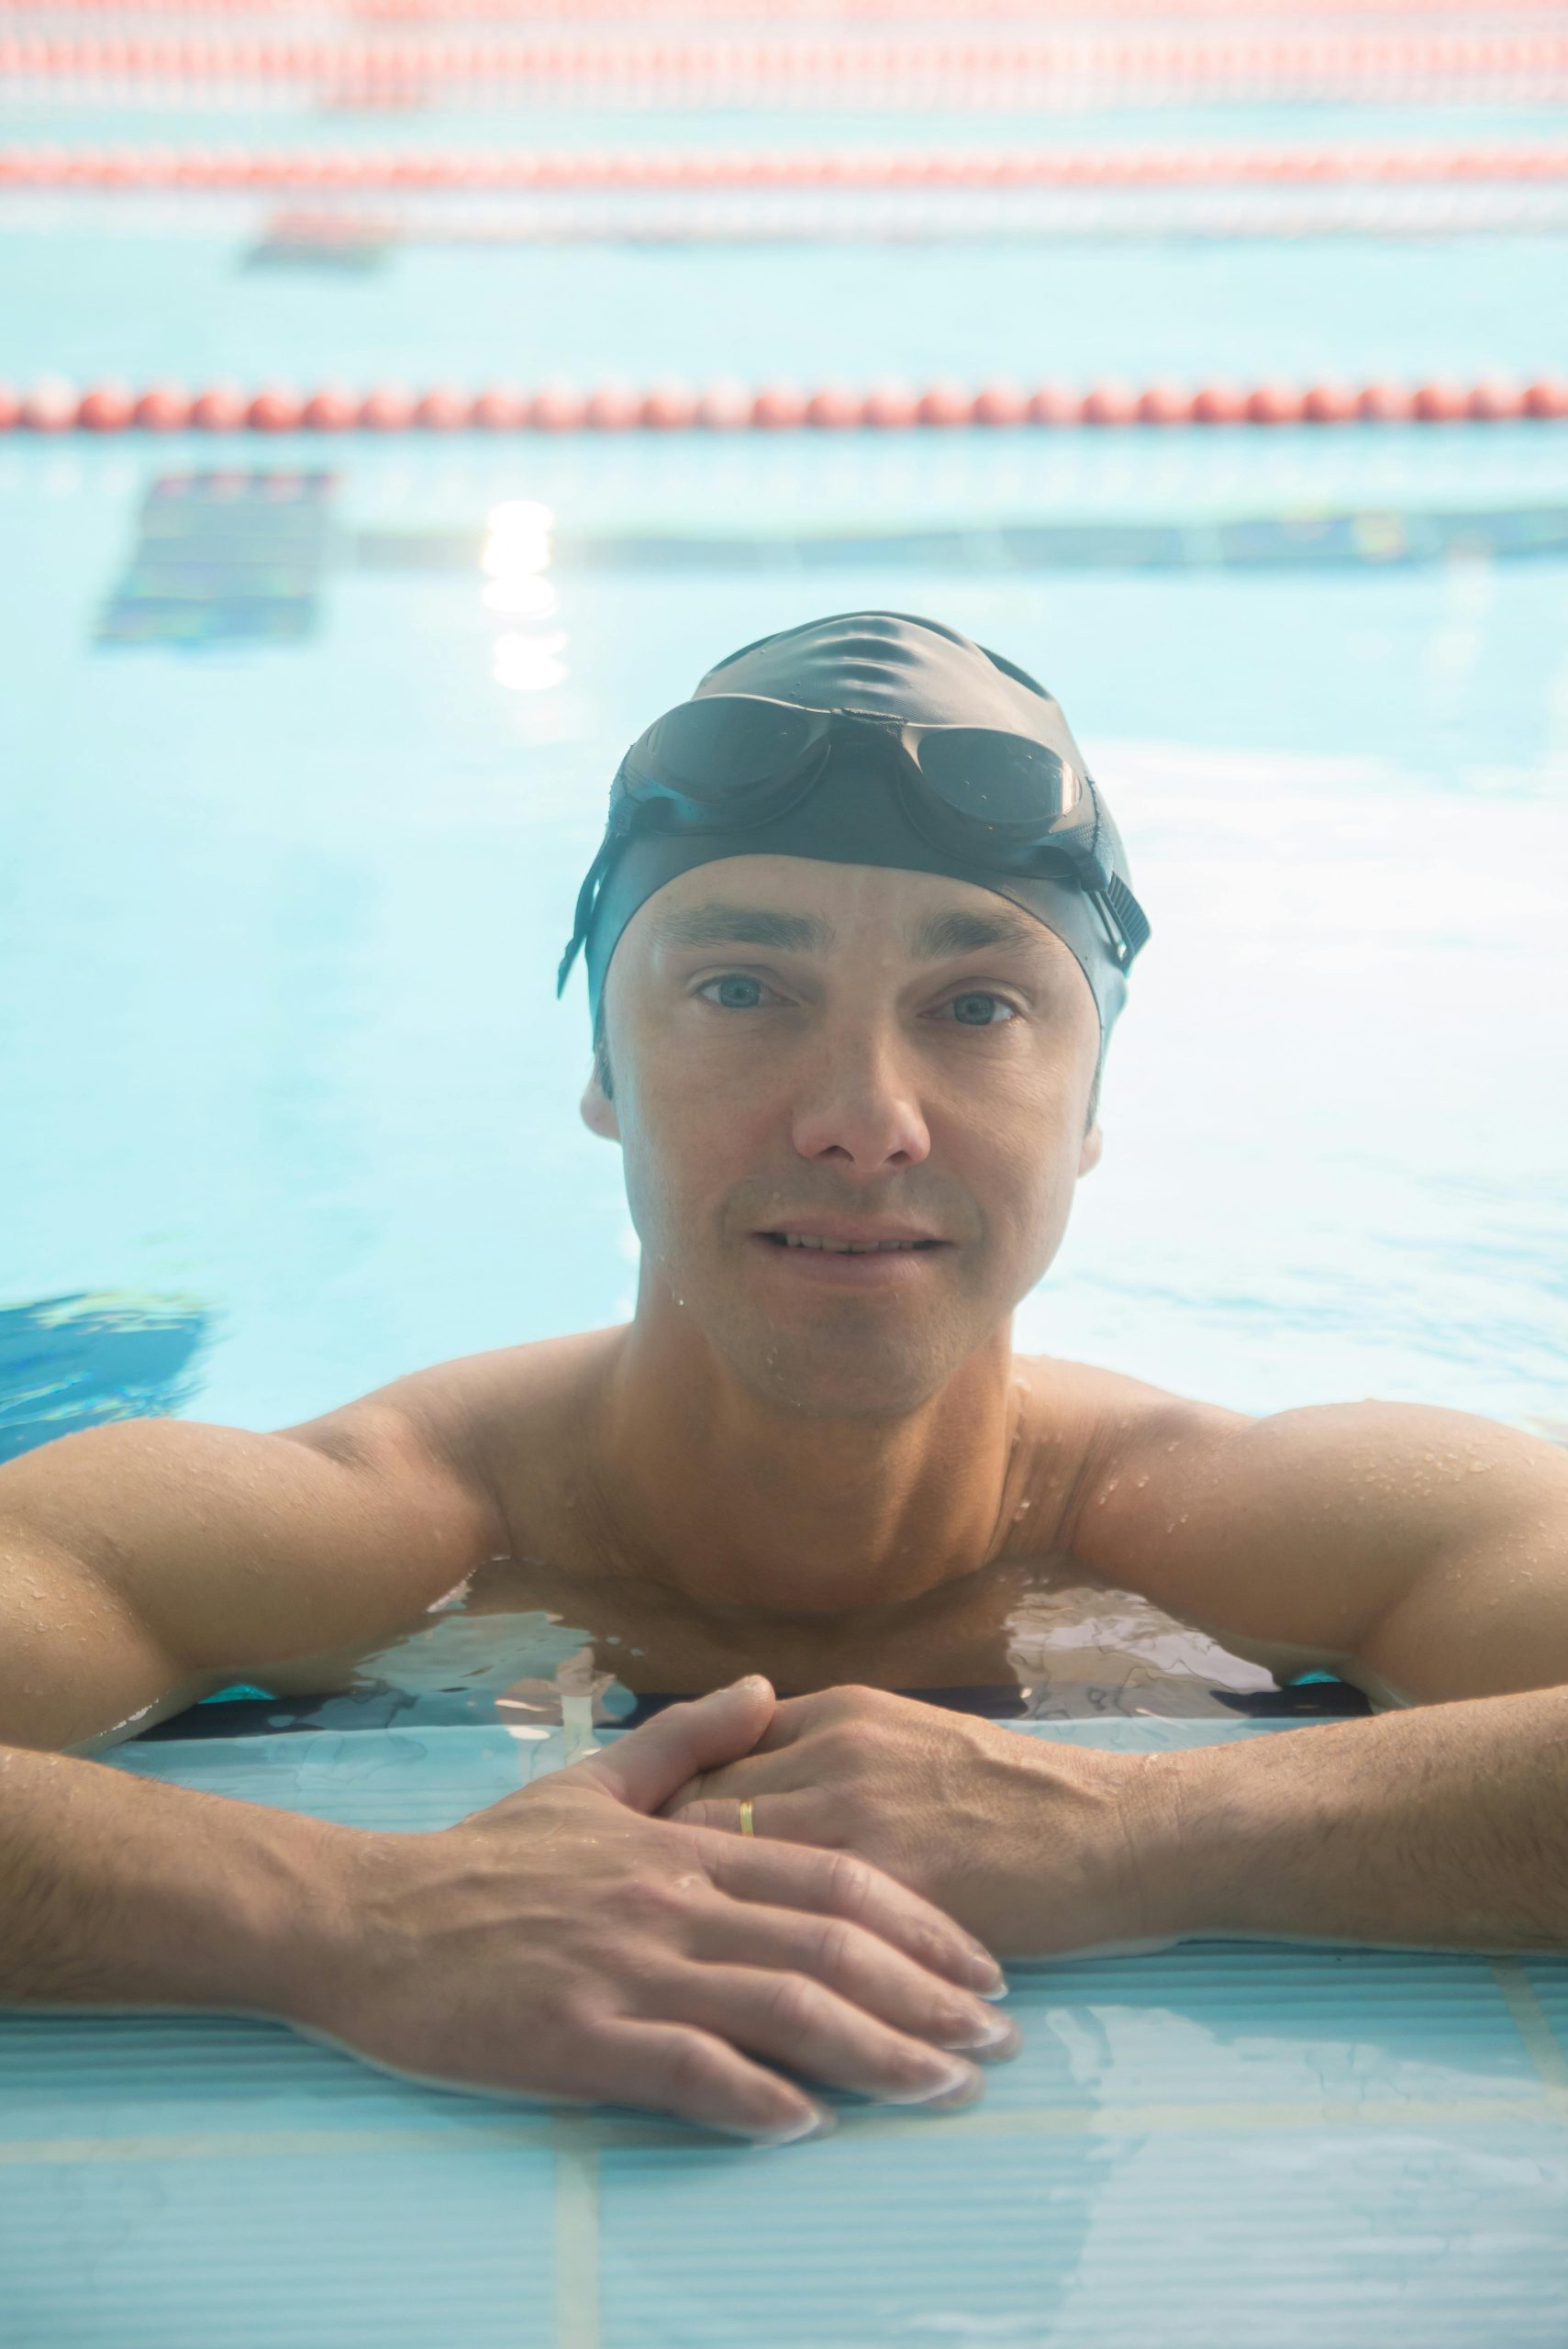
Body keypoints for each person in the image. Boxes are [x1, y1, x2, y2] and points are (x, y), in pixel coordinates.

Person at [3, 610, 1566, 2149]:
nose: (862, 1121)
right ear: (605, 1070)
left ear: (1089, 1103)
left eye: (976, 1007)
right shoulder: (342, 1522)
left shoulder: (1292, 1516)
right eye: (741, 990)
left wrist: (1141, 1831)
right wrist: (345, 1917)